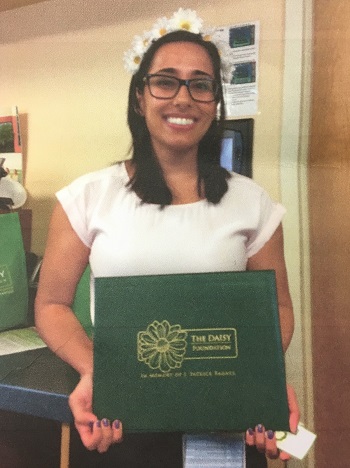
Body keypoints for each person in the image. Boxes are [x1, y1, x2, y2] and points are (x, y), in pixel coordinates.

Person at [35, 8, 299, 467]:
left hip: (222, 425)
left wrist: (261, 380)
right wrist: (99, 373)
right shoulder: (87, 197)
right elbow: (52, 304)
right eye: (166, 81)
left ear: (216, 102)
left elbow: (277, 308)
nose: (183, 98)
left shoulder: (251, 202)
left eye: (201, 84)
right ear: (140, 97)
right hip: (119, 422)